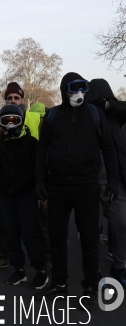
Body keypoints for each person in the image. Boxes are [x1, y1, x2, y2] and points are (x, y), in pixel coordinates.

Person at [34, 73, 119, 309]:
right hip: (58, 186)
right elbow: (42, 150)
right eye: (73, 89)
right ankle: (60, 282)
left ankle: (91, 282)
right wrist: (40, 181)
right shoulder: (52, 115)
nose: (77, 94)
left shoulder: (95, 114)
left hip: (87, 185)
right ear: (64, 91)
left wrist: (112, 181)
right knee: (56, 238)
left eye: (82, 89)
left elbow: (109, 150)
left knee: (90, 238)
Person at [0, 104, 48, 289]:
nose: (10, 124)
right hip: (5, 196)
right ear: (1, 124)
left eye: (14, 120)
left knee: (29, 234)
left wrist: (42, 194)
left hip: (27, 195)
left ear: (21, 122)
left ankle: (41, 270)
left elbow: (39, 172)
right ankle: (19, 269)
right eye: (6, 121)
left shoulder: (31, 143)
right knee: (10, 234)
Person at [86, 78, 126, 288]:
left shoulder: (115, 116)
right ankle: (93, 273)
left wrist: (110, 105)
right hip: (90, 181)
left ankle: (119, 266)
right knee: (90, 229)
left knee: (122, 223)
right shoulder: (87, 115)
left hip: (115, 180)